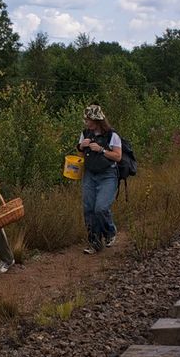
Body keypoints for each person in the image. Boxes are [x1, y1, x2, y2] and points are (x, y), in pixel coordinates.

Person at [77, 105, 122, 254]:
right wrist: (81, 147)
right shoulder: (85, 134)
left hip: (108, 175)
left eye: (88, 119)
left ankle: (110, 231)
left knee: (101, 208)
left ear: (96, 120)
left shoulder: (112, 135)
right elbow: (80, 157)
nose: (86, 122)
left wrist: (102, 150)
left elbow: (118, 156)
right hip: (90, 174)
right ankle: (94, 242)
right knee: (89, 209)